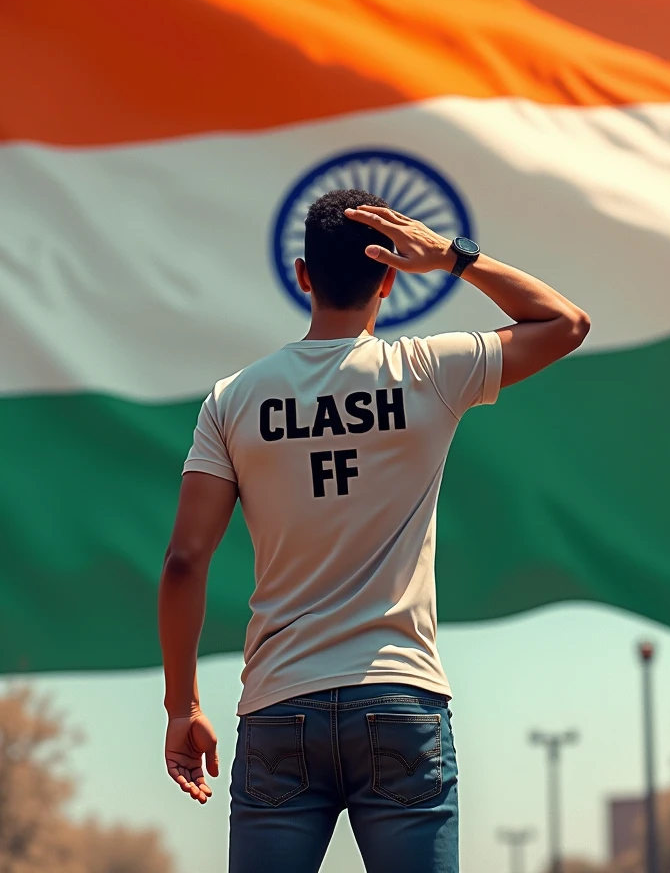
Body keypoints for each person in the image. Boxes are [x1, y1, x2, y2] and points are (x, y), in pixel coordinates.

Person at [158, 188, 590, 873]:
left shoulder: (233, 400)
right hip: (399, 698)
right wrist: (452, 258)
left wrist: (182, 706)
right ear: (390, 276)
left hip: (279, 703)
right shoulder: (427, 370)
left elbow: (185, 560)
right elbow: (565, 322)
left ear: (303, 276)